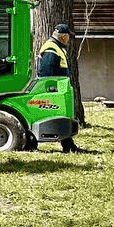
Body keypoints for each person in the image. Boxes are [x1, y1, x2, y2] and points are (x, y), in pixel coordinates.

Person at [36, 24, 80, 152]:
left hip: (59, 89)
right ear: (63, 37)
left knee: (63, 116)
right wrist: (52, 90)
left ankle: (69, 146)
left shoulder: (56, 47)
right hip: (55, 90)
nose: (69, 40)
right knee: (60, 116)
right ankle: (68, 146)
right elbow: (47, 72)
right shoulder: (51, 48)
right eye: (68, 37)